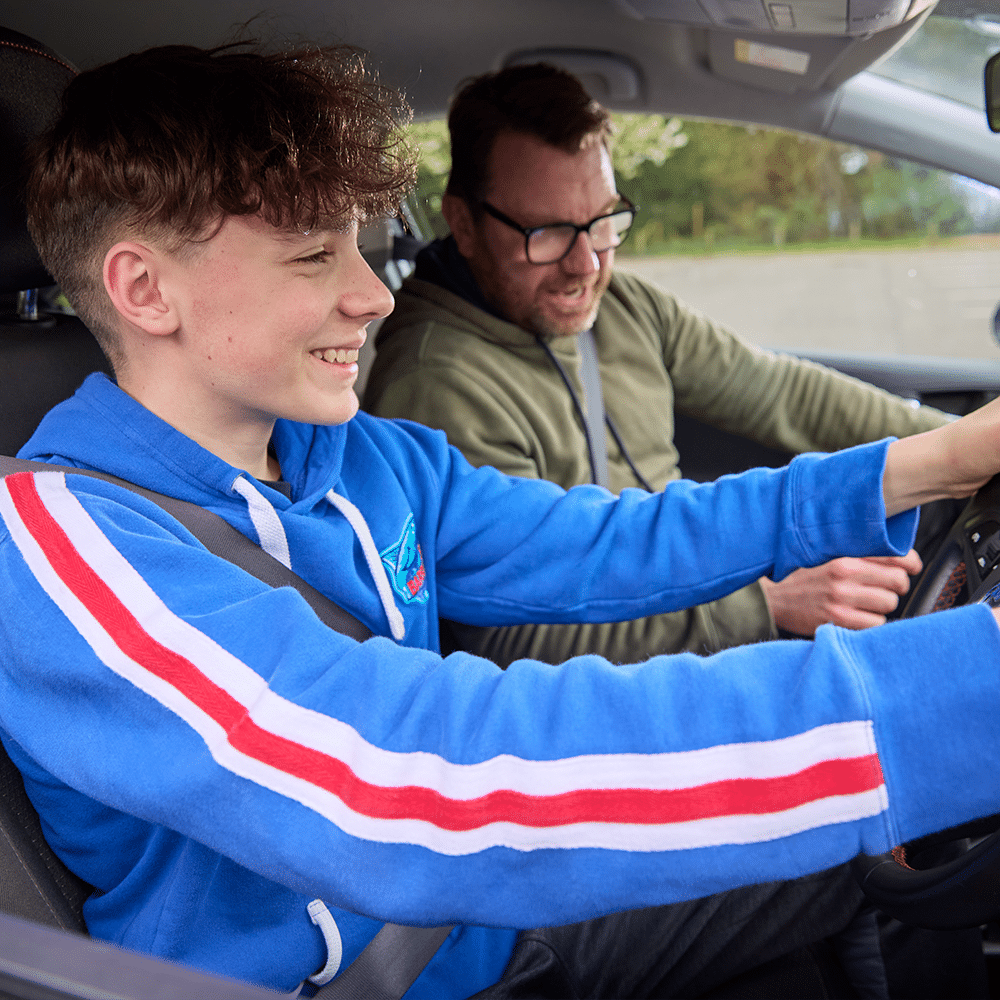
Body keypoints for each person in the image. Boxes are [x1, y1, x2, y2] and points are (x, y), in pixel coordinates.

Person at [3, 40, 1000, 1000]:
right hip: (370, 973)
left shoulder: (364, 458)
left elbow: (611, 541)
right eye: (312, 256)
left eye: (359, 246)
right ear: (146, 289)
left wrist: (930, 464)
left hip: (483, 932)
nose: (372, 296)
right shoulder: (59, 550)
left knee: (887, 850)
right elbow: (421, 778)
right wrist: (955, 690)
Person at [362, 62, 954, 668]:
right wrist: (765, 604)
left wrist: (959, 449)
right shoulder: (435, 385)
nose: (587, 266)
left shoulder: (624, 307)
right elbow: (508, 636)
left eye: (603, 222)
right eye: (547, 233)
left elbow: (780, 393)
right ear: (463, 224)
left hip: (695, 631)